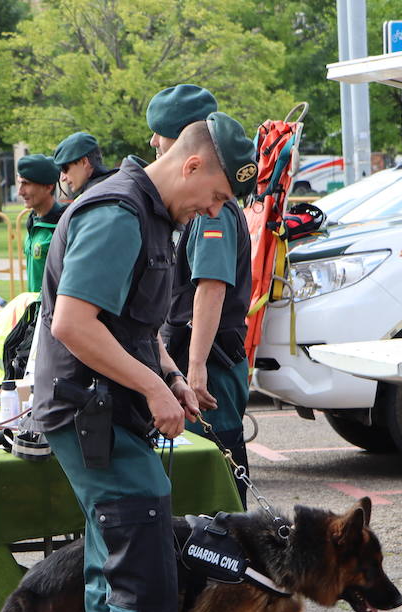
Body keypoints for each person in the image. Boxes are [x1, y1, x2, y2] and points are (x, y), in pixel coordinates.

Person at [30, 115, 257, 612]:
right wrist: (154, 389)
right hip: (92, 415)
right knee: (146, 576)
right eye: (216, 195)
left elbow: (132, 322)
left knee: (111, 576)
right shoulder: (119, 214)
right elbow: (73, 323)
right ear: (192, 166)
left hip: (106, 412)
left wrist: (172, 376)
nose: (215, 211)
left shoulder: (150, 216)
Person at [149, 86, 255, 505]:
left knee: (217, 477)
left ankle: (234, 565)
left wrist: (193, 369)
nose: (154, 144)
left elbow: (210, 289)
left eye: (160, 135)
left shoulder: (214, 210)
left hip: (209, 360)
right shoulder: (195, 203)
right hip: (200, 355)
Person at [15, 154, 65, 295]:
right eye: (20, 183)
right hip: (38, 313)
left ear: (48, 187)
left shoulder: (63, 227)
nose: (20, 192)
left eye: (26, 184)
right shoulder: (33, 222)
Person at [53, 131, 113, 198]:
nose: (62, 178)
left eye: (65, 169)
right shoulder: (116, 186)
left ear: (84, 162)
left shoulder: (93, 198)